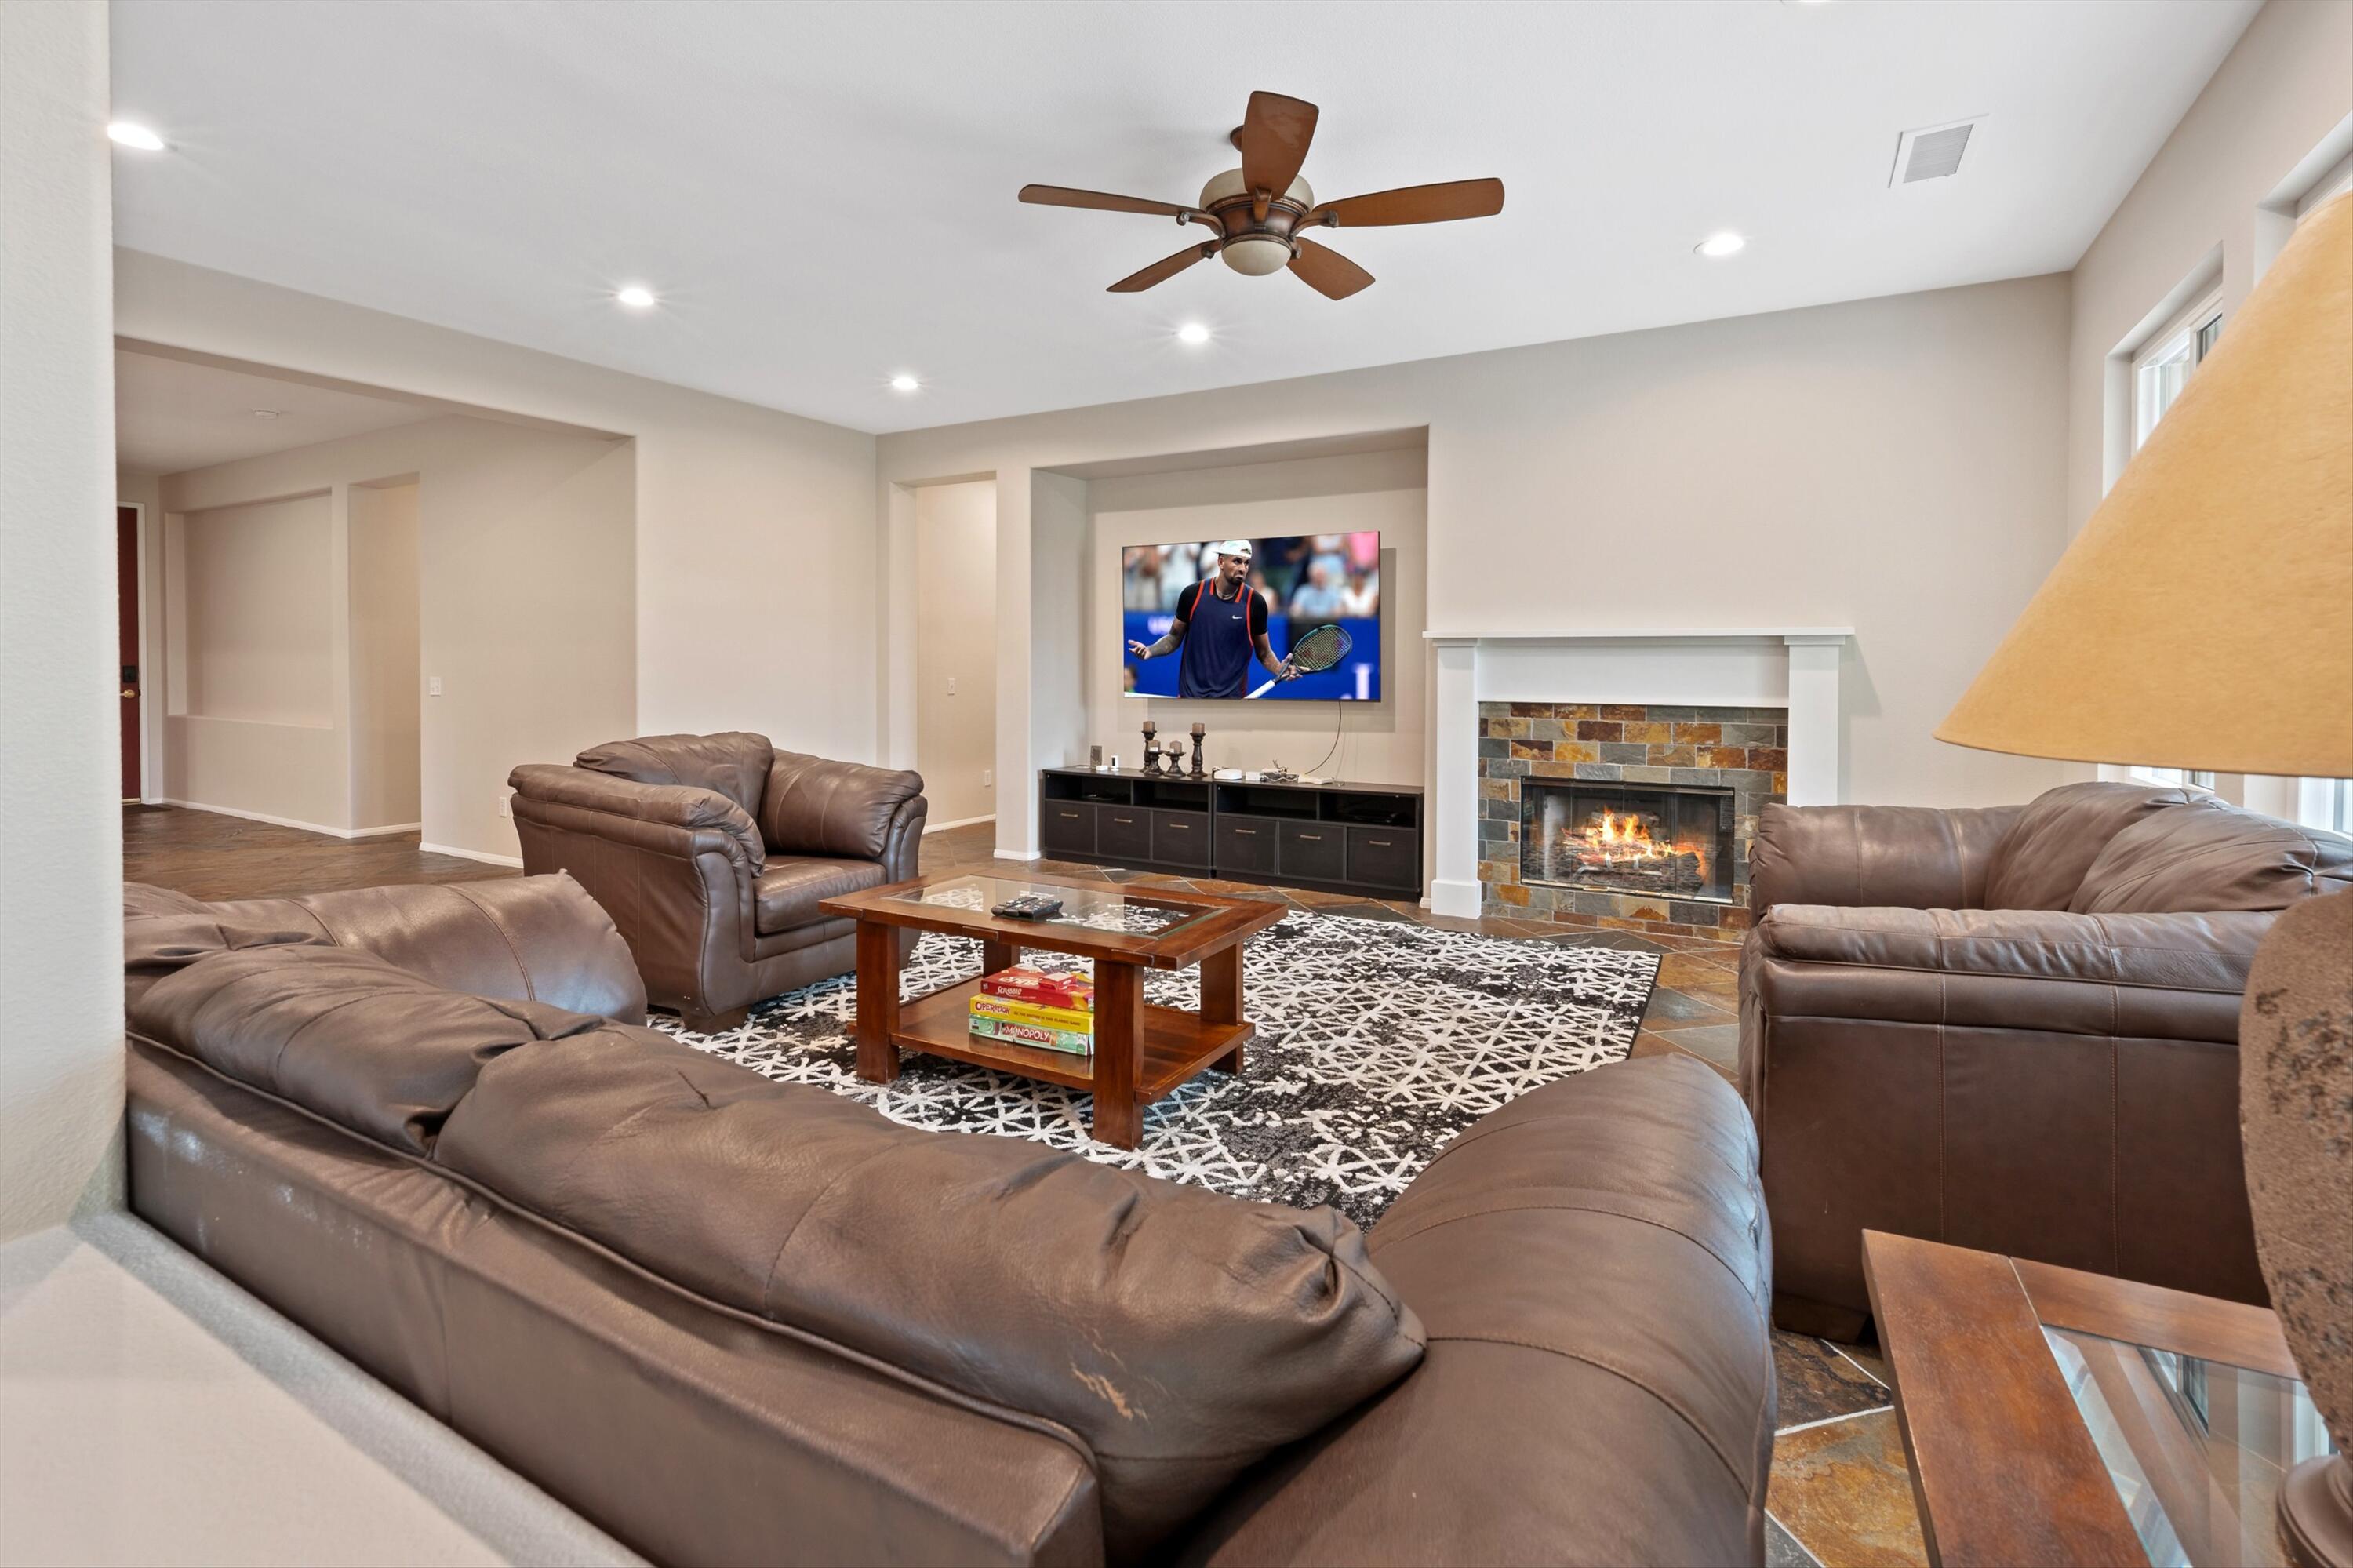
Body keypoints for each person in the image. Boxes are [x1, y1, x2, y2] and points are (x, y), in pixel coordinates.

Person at [1127, 540, 1300, 698]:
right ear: (1220, 562)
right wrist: (1150, 651)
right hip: (1190, 698)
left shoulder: (1255, 603)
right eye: (1237, 561)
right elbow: (1174, 637)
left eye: (1246, 563)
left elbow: (1264, 652)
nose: (1242, 568)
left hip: (1231, 702)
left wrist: (1280, 669)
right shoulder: (1192, 594)